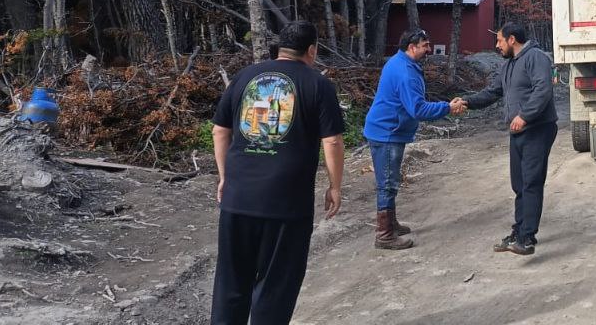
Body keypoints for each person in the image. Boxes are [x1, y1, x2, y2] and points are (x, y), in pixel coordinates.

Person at [209, 21, 346, 325]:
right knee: (276, 286)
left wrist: (224, 178)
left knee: (231, 283)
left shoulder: (244, 76)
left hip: (237, 199)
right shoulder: (317, 84)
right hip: (286, 204)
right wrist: (335, 186)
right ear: (312, 50)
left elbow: (220, 131)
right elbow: (333, 140)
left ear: (280, 47)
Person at [451, 23, 557, 256]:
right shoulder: (508, 65)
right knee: (518, 184)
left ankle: (527, 237)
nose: (496, 45)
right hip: (518, 131)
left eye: (499, 41)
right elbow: (492, 92)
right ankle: (519, 231)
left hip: (538, 129)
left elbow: (543, 90)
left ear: (511, 39)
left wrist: (525, 116)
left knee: (531, 182)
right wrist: (467, 101)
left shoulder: (536, 58)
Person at [363, 28, 466, 250]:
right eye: (425, 45)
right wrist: (447, 107)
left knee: (389, 180)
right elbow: (417, 109)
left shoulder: (400, 62)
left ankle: (390, 222)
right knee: (388, 184)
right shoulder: (405, 72)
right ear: (411, 47)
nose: (429, 49)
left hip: (388, 130)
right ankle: (384, 234)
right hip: (387, 132)